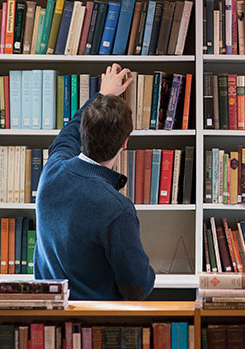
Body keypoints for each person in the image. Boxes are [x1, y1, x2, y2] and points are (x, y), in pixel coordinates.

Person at [34, 64, 156, 300]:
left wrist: (103, 95)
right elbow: (137, 287)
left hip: (49, 320)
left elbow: (67, 134)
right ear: (125, 143)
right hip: (95, 328)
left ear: (84, 130)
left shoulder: (51, 172)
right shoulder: (117, 209)